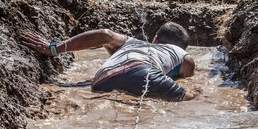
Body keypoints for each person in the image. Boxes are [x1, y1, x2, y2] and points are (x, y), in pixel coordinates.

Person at [21, 21, 197, 101]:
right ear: (183, 48)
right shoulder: (182, 55)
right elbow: (186, 75)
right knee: (191, 97)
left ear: (155, 39)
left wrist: (53, 48)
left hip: (101, 79)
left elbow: (104, 35)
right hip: (144, 73)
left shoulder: (133, 43)